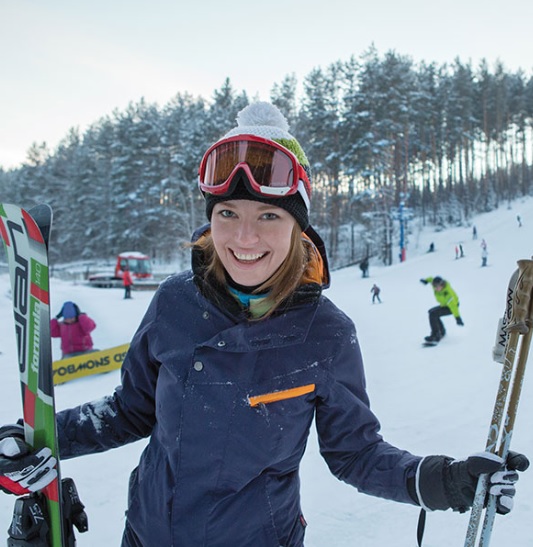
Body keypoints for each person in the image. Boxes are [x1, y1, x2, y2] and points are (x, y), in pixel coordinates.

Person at [0, 102, 528, 547]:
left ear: (299, 228)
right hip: (146, 534)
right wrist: (40, 437)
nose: (244, 238)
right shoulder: (173, 302)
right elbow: (130, 410)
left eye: (269, 216)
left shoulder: (326, 333)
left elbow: (356, 454)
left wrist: (444, 481)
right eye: (227, 213)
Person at [420, 276, 463, 342]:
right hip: (445, 305)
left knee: (433, 314)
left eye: (438, 286)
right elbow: (431, 279)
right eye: (434, 286)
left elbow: (453, 307)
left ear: (442, 285)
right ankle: (441, 331)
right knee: (431, 312)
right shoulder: (436, 286)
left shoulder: (447, 294)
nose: (436, 288)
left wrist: (457, 318)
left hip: (451, 307)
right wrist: (426, 280)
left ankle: (436, 335)